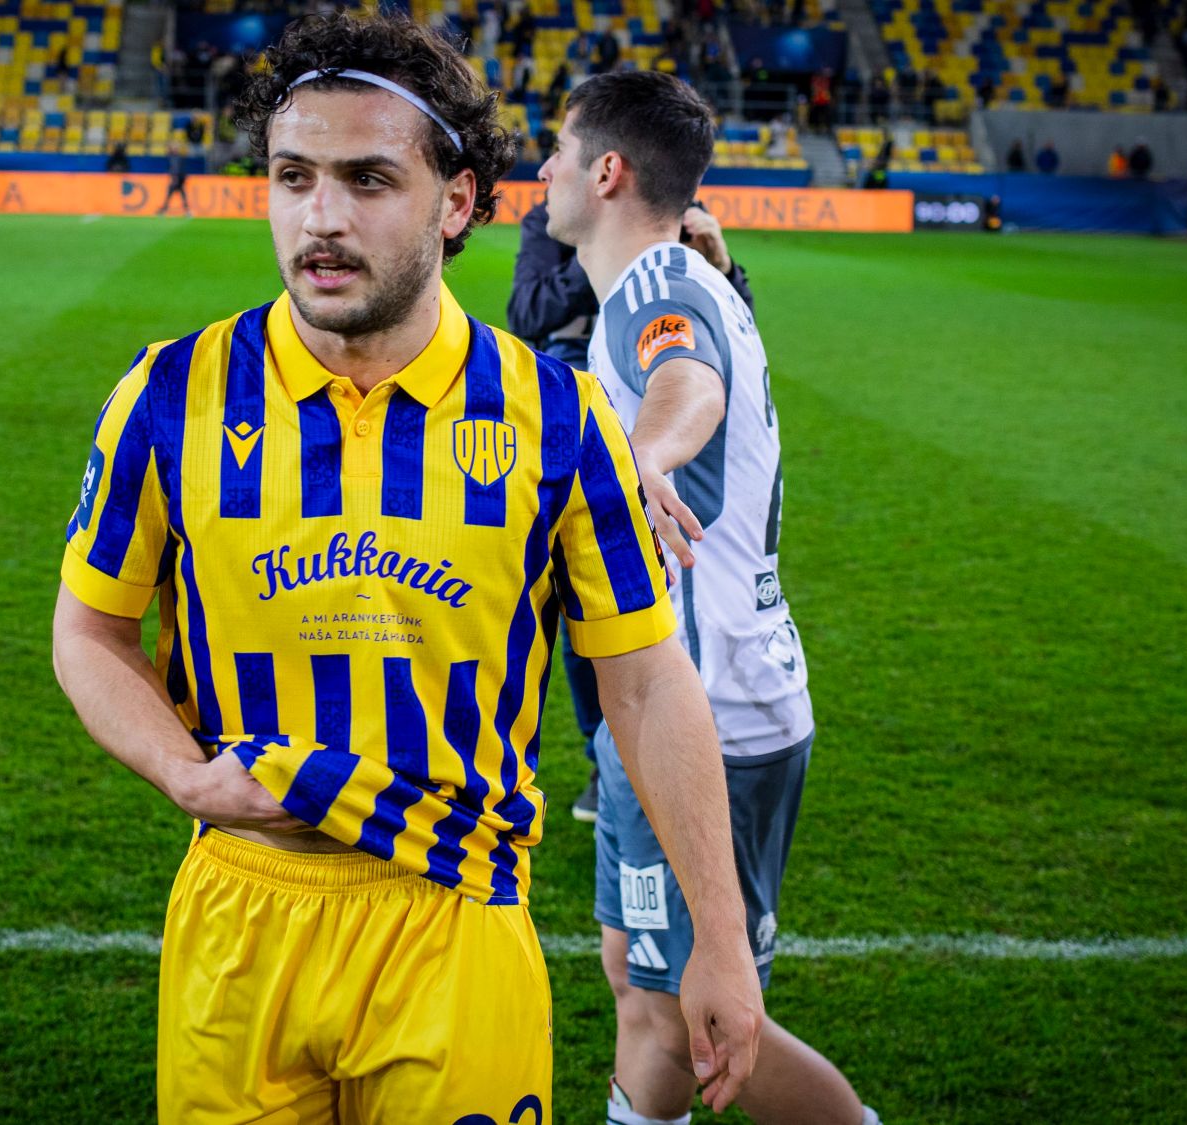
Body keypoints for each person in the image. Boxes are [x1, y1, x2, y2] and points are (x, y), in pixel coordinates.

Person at [52, 13, 765, 1122]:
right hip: (238, 909)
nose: (321, 219)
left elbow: (643, 680)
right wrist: (185, 776)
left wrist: (717, 937)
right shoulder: (168, 394)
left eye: (369, 179)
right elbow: (89, 629)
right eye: (293, 176)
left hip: (452, 911)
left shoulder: (559, 416)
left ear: (457, 200)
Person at [539, 69, 878, 1125]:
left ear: (606, 171)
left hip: (705, 713)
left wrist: (640, 456)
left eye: (557, 150)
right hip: (672, 696)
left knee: (682, 1019)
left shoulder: (654, 284)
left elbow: (688, 383)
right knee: (634, 980)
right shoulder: (680, 278)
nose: (541, 170)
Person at [507, 195, 752, 822]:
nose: (547, 172)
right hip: (576, 417)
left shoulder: (675, 221)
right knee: (586, 597)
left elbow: (728, 343)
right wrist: (596, 258)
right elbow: (526, 311)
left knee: (674, 588)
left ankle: (699, 745)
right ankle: (605, 756)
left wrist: (724, 267)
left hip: (662, 429)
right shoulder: (553, 221)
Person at [156, 137, 191, 215]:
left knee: (179, 195)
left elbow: (179, 169)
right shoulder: (172, 157)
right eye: (174, 147)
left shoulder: (178, 158)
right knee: (174, 195)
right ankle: (187, 211)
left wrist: (180, 178)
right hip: (176, 180)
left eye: (176, 148)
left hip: (178, 180)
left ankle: (187, 211)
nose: (175, 149)